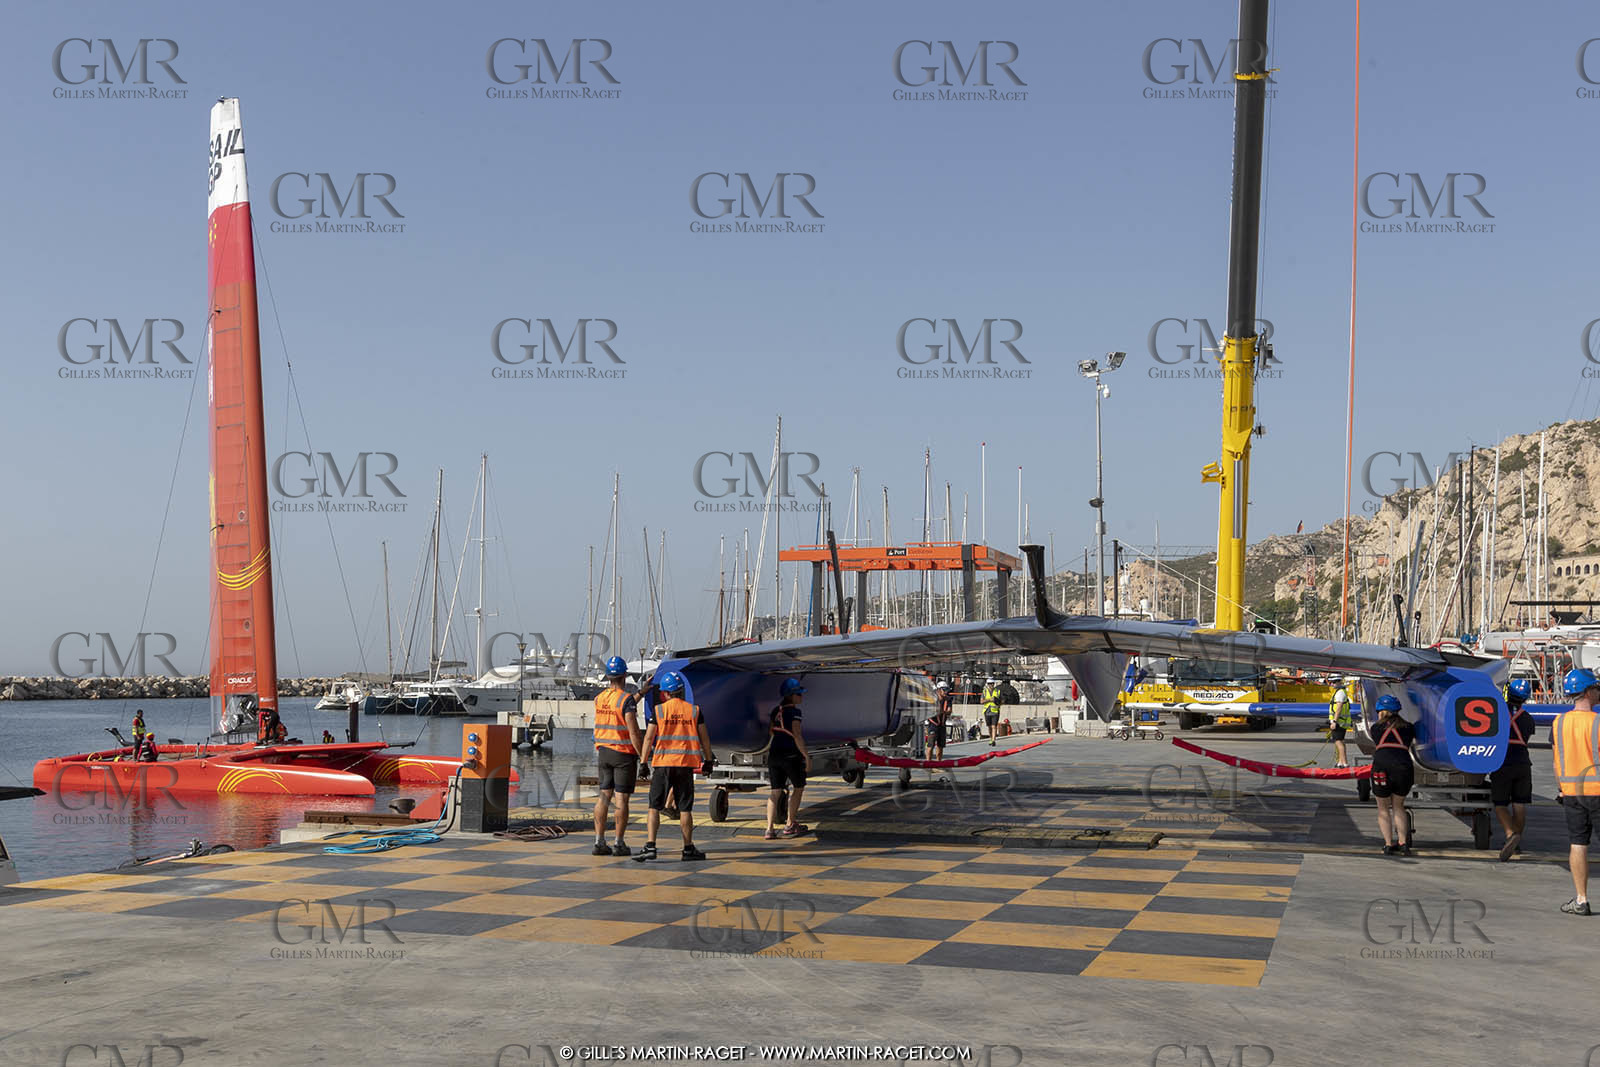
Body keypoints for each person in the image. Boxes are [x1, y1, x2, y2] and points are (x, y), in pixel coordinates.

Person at [635, 670, 714, 862]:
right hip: (686, 765)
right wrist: (709, 761)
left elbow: (648, 737)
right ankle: (688, 848)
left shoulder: (659, 711)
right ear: (681, 691)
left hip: (663, 765)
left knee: (654, 807)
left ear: (664, 693)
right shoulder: (694, 711)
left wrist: (644, 762)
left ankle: (651, 846)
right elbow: (705, 739)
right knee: (685, 808)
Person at [1553, 668, 1600, 915]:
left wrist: (1562, 788)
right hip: (1598, 789)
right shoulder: (1598, 722)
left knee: (1578, 844)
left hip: (1571, 792)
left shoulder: (1559, 722)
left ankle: (1581, 900)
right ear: (1589, 692)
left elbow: (1556, 759)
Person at [592, 656, 645, 856]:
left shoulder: (599, 698)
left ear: (608, 676)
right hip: (623, 755)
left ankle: (599, 841)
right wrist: (644, 757)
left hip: (604, 753)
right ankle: (619, 843)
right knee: (621, 800)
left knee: (604, 797)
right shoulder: (626, 699)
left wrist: (641, 693)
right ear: (624, 676)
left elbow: (621, 708)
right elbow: (633, 731)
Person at [1492, 679, 1536, 862]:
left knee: (1500, 803)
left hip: (1502, 762)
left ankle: (1511, 835)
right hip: (1523, 764)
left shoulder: (1498, 713)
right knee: (1519, 805)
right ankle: (1516, 842)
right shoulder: (1528, 718)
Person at [765, 678, 812, 839]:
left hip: (774, 755)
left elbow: (771, 731)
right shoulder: (795, 713)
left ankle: (769, 829)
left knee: (775, 792)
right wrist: (806, 755)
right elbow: (797, 735)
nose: (801, 696)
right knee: (798, 788)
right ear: (791, 696)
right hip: (791, 756)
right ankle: (790, 824)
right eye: (799, 693)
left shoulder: (775, 711)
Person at [1369, 694, 1415, 856]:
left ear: (1380, 711)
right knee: (1398, 806)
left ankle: (1388, 844)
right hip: (1403, 768)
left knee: (1383, 808)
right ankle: (1403, 843)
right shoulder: (1409, 727)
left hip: (1381, 767)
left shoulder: (1375, 728)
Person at [1328, 683, 1353, 768]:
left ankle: (1344, 763)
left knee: (1338, 742)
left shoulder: (1340, 693)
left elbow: (1339, 707)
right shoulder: (1341, 692)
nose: (1331, 684)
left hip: (1339, 722)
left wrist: (1334, 721)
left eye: (1333, 682)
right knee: (1341, 741)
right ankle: (1340, 762)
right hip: (1341, 721)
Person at [928, 681, 953, 761]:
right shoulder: (933, 699)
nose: (946, 692)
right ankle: (928, 764)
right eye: (944, 690)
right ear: (938, 690)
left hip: (942, 725)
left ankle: (939, 764)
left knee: (940, 746)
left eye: (947, 690)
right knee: (930, 745)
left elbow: (949, 711)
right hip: (933, 725)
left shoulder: (948, 700)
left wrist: (942, 711)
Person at [981, 677, 1002, 747]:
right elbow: (981, 701)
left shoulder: (998, 691)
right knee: (989, 726)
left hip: (995, 711)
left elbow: (1001, 701)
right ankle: (991, 738)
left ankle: (993, 740)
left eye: (992, 684)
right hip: (987, 711)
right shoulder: (984, 691)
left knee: (994, 726)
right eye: (989, 684)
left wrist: (997, 701)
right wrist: (990, 699)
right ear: (987, 684)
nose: (991, 685)